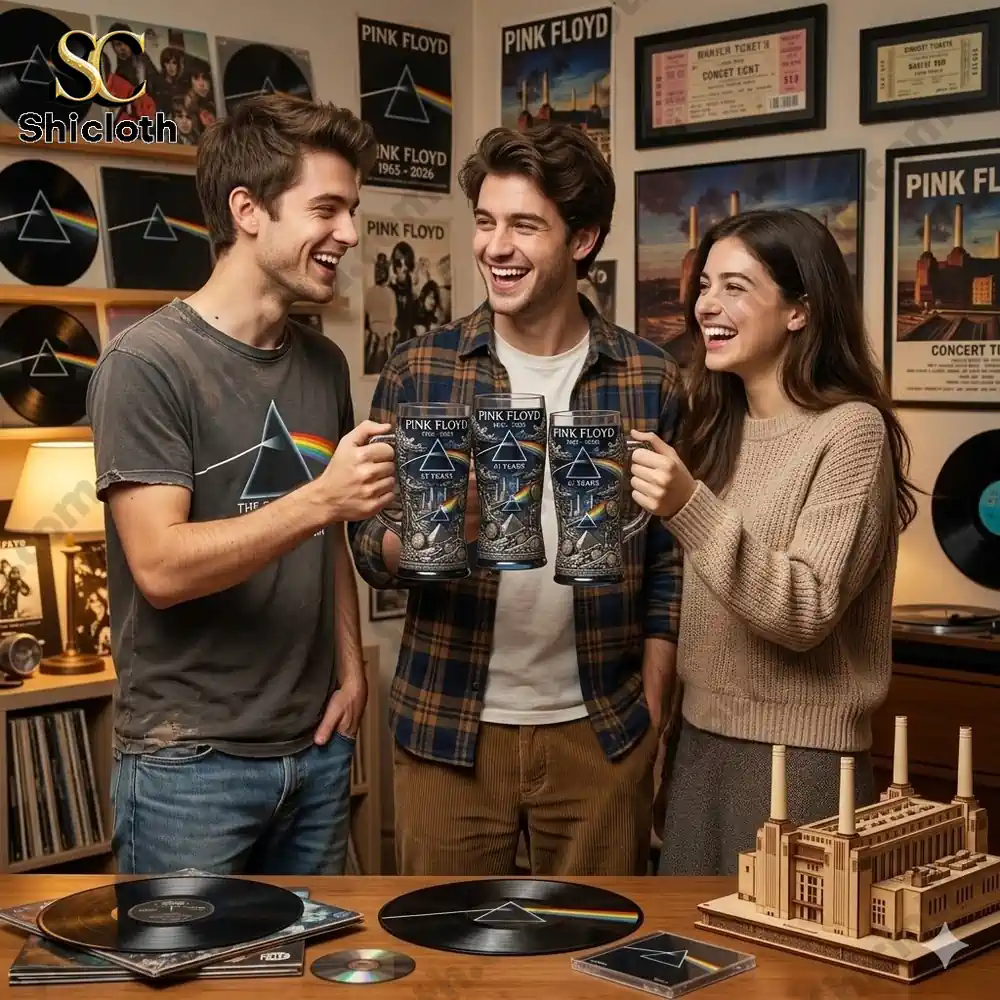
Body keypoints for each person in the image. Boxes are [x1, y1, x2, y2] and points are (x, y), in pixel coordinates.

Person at [349, 123, 684, 877]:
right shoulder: (421, 367)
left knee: (599, 943)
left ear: (582, 239)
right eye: (486, 221)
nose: (495, 247)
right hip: (448, 728)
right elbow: (367, 541)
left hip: (602, 732)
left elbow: (668, 559)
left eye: (525, 226)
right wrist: (427, 535)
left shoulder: (648, 376)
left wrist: (655, 708)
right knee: (445, 946)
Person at [86, 93, 396, 875]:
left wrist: (352, 670)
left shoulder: (322, 363)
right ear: (247, 209)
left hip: (318, 751)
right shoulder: (146, 364)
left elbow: (328, 537)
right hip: (189, 766)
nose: (349, 233)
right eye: (326, 209)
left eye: (352, 210)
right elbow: (161, 567)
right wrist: (320, 498)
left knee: (318, 954)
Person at [627, 208, 918, 877]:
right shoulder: (714, 427)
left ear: (799, 311)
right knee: (689, 938)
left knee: (790, 947)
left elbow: (804, 611)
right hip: (700, 746)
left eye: (736, 286)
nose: (707, 305)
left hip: (802, 762)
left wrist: (687, 505)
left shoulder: (851, 432)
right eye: (704, 285)